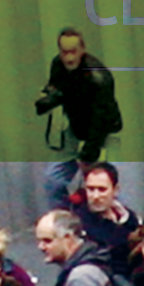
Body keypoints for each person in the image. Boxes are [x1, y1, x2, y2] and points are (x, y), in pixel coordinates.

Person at [35, 29, 123, 209]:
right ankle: (63, 222)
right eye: (64, 52)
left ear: (82, 50)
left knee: (105, 184)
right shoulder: (58, 64)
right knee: (53, 180)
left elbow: (101, 118)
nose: (68, 58)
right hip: (76, 128)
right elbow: (57, 87)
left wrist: (88, 154)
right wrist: (48, 99)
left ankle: (114, 226)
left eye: (73, 51)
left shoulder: (98, 77)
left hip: (103, 132)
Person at [69, 164, 140, 276]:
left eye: (102, 189)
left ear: (115, 190)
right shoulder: (78, 222)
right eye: (91, 189)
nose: (95, 196)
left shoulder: (129, 218)